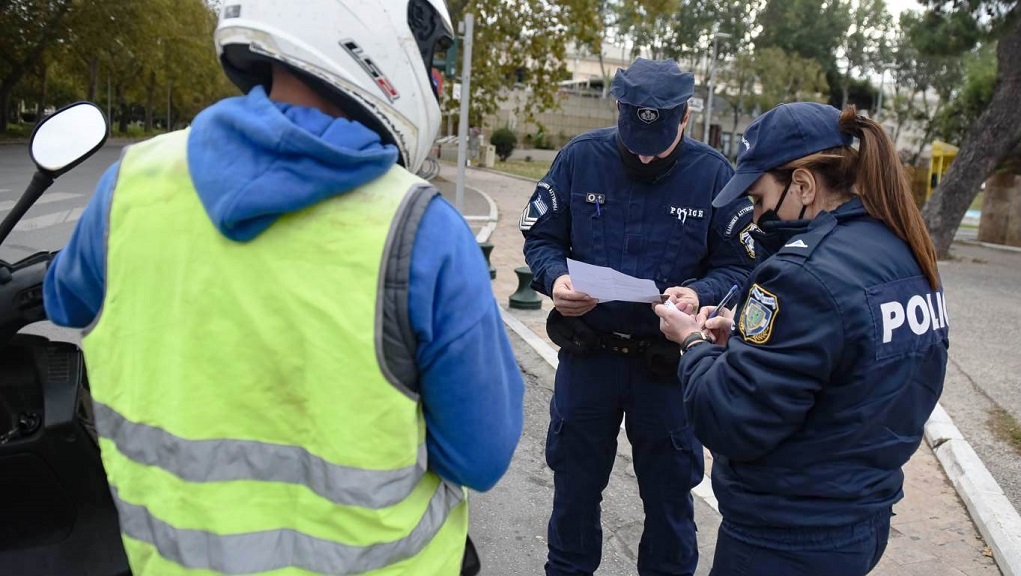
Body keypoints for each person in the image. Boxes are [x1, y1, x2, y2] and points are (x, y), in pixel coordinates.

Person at [42, 1, 524, 574]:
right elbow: (480, 455)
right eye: (430, 51)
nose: (437, 76)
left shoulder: (130, 186)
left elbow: (64, 300)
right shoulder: (422, 232)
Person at [654, 102, 949, 576]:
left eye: (757, 199)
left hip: (785, 534)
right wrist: (746, 345)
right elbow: (856, 371)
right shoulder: (903, 250)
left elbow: (728, 417)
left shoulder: (800, 275)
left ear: (804, 185)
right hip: (861, 517)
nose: (753, 217)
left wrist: (693, 344)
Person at [521, 57, 756, 576]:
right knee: (574, 493)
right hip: (590, 358)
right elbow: (541, 237)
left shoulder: (715, 176)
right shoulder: (580, 159)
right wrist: (555, 279)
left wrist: (698, 293)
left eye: (659, 144)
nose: (645, 157)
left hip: (667, 370)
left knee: (671, 501)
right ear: (619, 111)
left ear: (686, 120)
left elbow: (739, 265)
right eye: (634, 142)